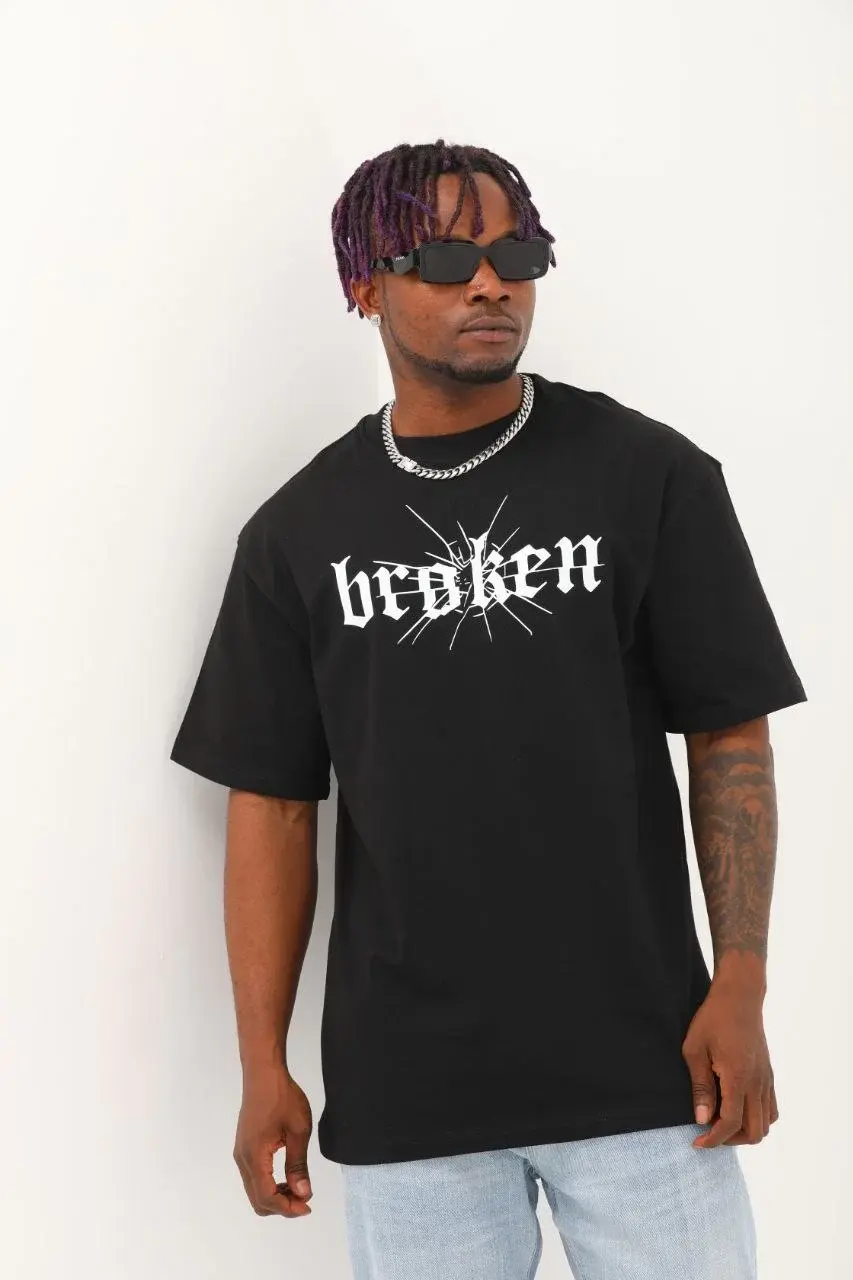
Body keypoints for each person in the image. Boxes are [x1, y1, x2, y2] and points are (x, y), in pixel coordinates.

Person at [169, 138, 807, 1279]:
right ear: (364, 284)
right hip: (409, 1090)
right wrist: (262, 1063)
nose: (488, 282)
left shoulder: (647, 475)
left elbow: (729, 738)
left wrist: (742, 981)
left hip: (648, 1067)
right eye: (444, 257)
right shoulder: (296, 535)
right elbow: (271, 806)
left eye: (515, 254)